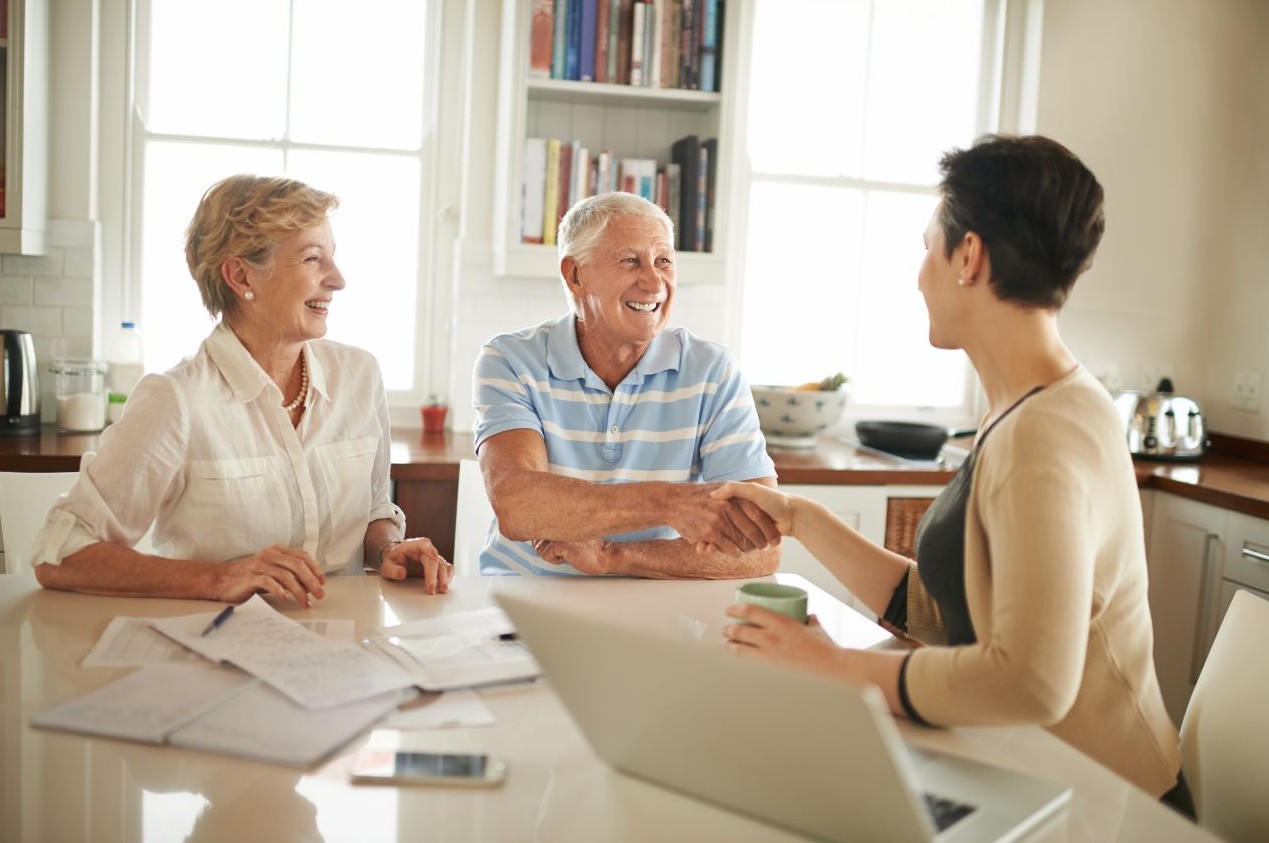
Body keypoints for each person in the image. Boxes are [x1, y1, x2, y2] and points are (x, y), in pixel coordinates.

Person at [717, 135, 1192, 814]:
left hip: (1111, 808)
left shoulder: (1042, 437)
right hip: (1037, 775)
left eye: (926, 245)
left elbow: (1029, 680)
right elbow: (949, 616)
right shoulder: (1028, 404)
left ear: (967, 255)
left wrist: (838, 666)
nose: (917, 274)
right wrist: (799, 518)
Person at [31, 175, 452, 603]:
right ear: (240, 275)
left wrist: (389, 549)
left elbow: (373, 511)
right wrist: (219, 579)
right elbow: (60, 554)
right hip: (216, 648)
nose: (337, 279)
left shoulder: (359, 375)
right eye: (312, 259)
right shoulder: (175, 399)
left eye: (332, 258)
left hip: (344, 648)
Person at [472, 191, 781, 577]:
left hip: (657, 601)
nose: (654, 282)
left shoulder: (712, 371)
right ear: (576, 275)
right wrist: (669, 502)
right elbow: (517, 505)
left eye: (663, 261)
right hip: (523, 595)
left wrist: (612, 555)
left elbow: (762, 547)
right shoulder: (511, 359)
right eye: (630, 261)